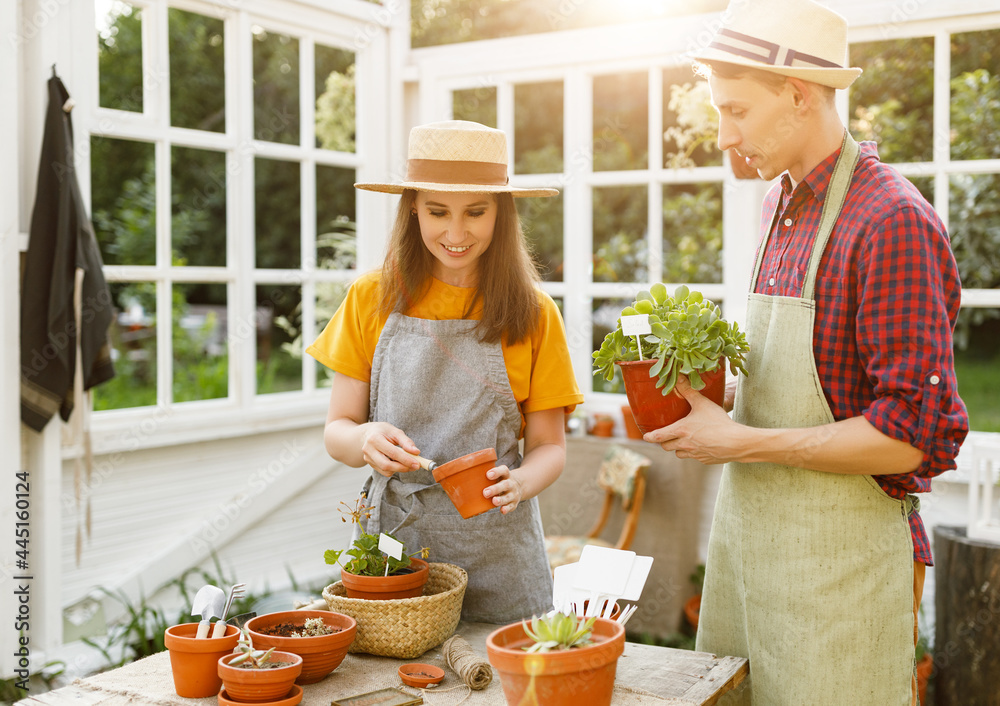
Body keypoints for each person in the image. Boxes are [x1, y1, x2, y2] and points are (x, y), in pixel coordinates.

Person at [645, 0, 969, 703]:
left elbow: (910, 438)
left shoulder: (891, 224)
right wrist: (722, 397)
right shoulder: (777, 204)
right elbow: (814, 373)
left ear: (796, 95)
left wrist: (738, 441)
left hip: (838, 579)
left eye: (736, 112)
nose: (724, 136)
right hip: (749, 561)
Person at [307, 120, 583, 624]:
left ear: (501, 212)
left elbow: (550, 447)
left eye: (475, 212)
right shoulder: (371, 298)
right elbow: (337, 432)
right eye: (437, 211)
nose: (456, 234)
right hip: (395, 546)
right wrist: (364, 437)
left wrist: (520, 483)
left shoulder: (535, 312)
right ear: (412, 207)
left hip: (500, 550)